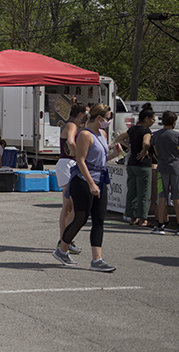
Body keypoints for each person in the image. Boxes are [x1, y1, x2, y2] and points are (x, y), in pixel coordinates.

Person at [53, 103, 122, 272]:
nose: (108, 121)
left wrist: (115, 154)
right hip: (83, 180)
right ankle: (62, 249)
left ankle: (97, 260)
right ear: (99, 118)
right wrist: (90, 183)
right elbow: (81, 160)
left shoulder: (102, 134)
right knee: (80, 218)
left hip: (100, 179)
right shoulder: (85, 134)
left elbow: (100, 160)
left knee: (99, 220)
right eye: (107, 118)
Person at [55, 102, 87, 255]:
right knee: (71, 206)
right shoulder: (72, 126)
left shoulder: (71, 125)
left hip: (66, 164)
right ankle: (66, 239)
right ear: (80, 114)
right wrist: (79, 155)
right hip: (68, 164)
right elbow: (70, 141)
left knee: (68, 206)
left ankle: (65, 239)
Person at [116, 103, 155, 227]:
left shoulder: (132, 129)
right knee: (144, 192)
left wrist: (130, 147)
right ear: (147, 119)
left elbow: (120, 138)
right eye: (153, 119)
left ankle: (131, 217)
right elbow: (146, 143)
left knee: (132, 191)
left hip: (132, 164)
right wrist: (144, 150)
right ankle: (143, 218)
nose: (154, 121)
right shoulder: (146, 130)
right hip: (143, 165)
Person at [151, 111, 179, 236]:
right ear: (173, 122)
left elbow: (156, 152)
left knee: (162, 196)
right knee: (177, 197)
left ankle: (160, 224)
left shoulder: (155, 135)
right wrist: (178, 153)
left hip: (162, 167)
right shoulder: (177, 136)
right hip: (176, 168)